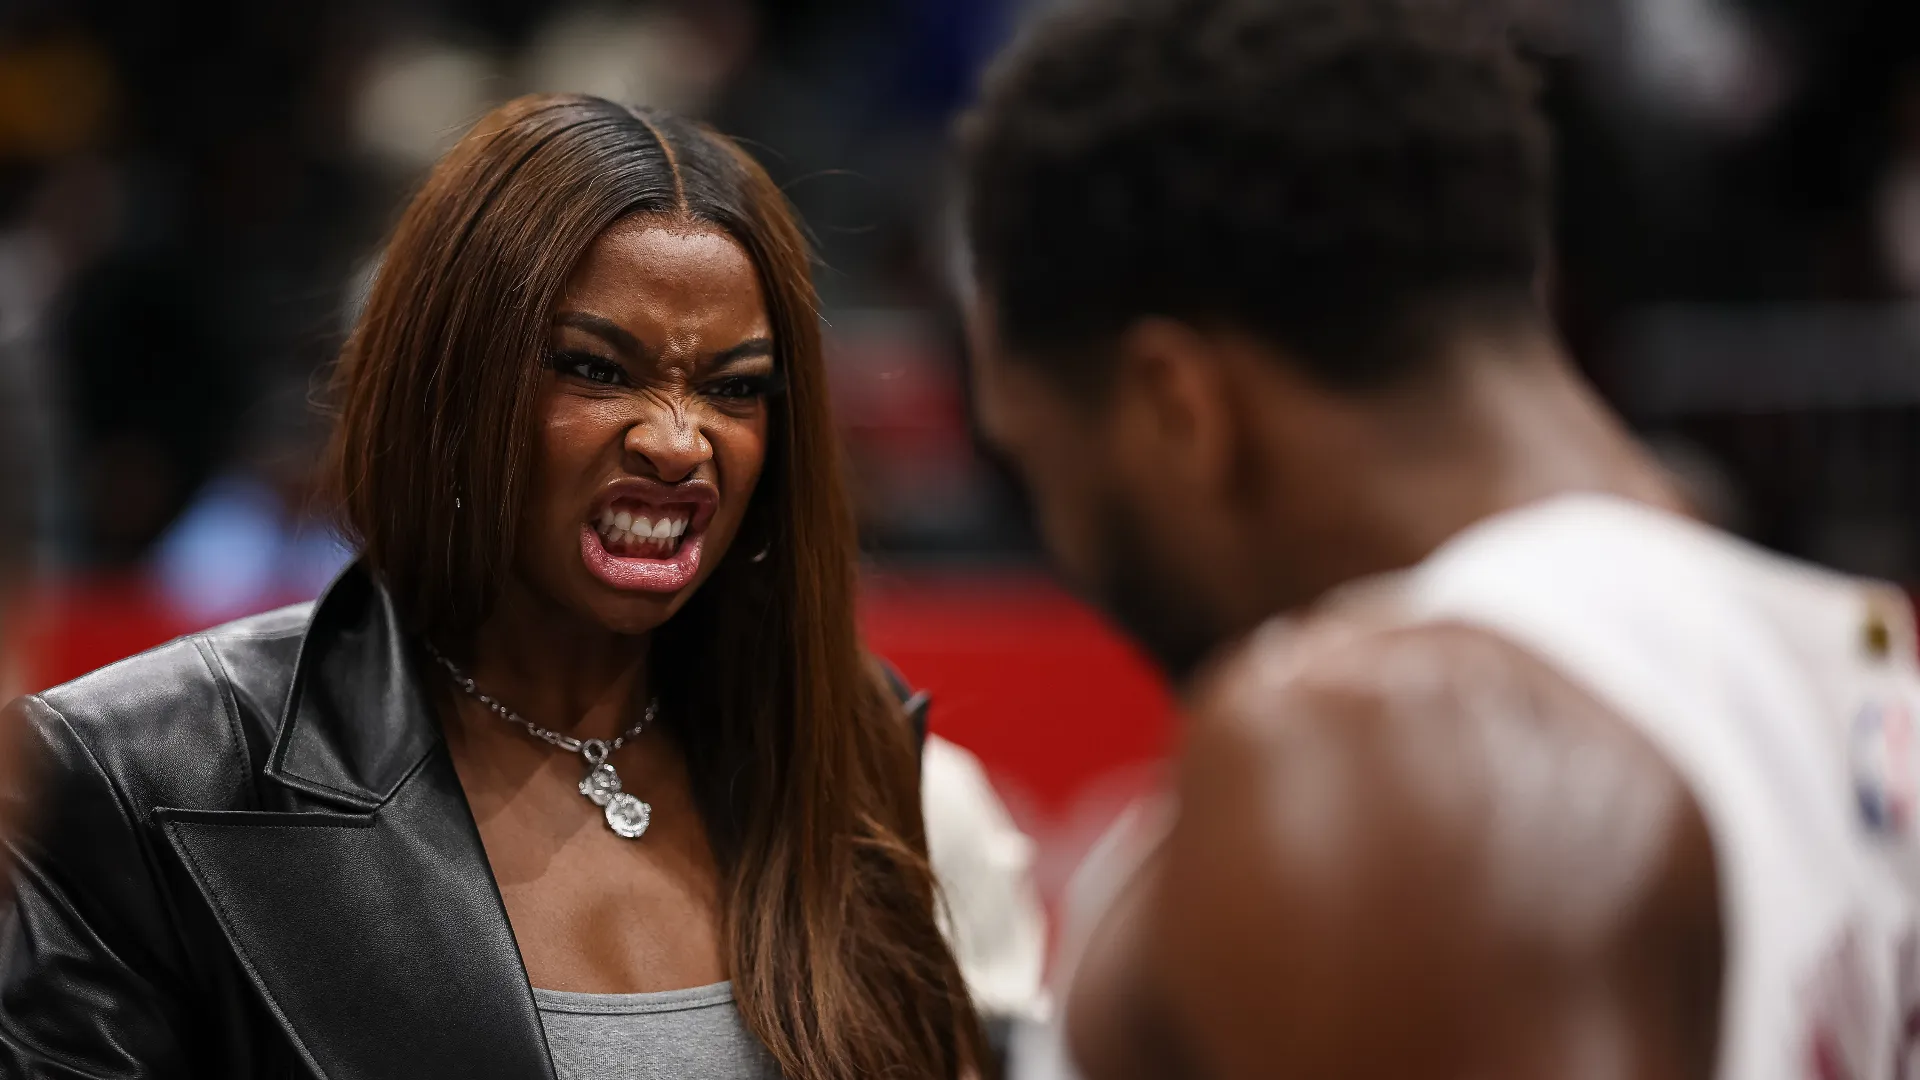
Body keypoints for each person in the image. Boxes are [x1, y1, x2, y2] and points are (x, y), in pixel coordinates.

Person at [958, 2, 1920, 1079]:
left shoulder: (1384, 746)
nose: (1061, 541)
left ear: (1177, 408)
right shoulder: (1836, 666)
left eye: (1035, 464)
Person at [0, 94, 985, 1080]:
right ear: (450, 385)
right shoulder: (142, 773)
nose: (678, 442)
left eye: (733, 388)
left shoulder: (846, 738)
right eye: (598, 370)